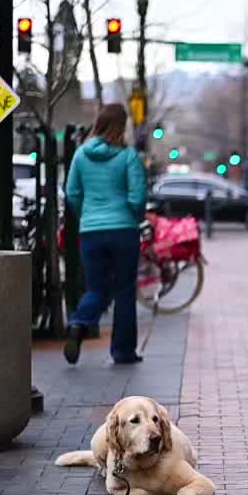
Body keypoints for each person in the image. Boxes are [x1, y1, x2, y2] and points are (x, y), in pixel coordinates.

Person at [63, 104, 148, 365]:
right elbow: (137, 196)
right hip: (123, 231)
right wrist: (133, 217)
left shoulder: (80, 155)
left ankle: (79, 323)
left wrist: (86, 216)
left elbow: (72, 193)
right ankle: (123, 352)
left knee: (97, 288)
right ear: (121, 126)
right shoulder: (128, 156)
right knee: (124, 290)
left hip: (91, 231)